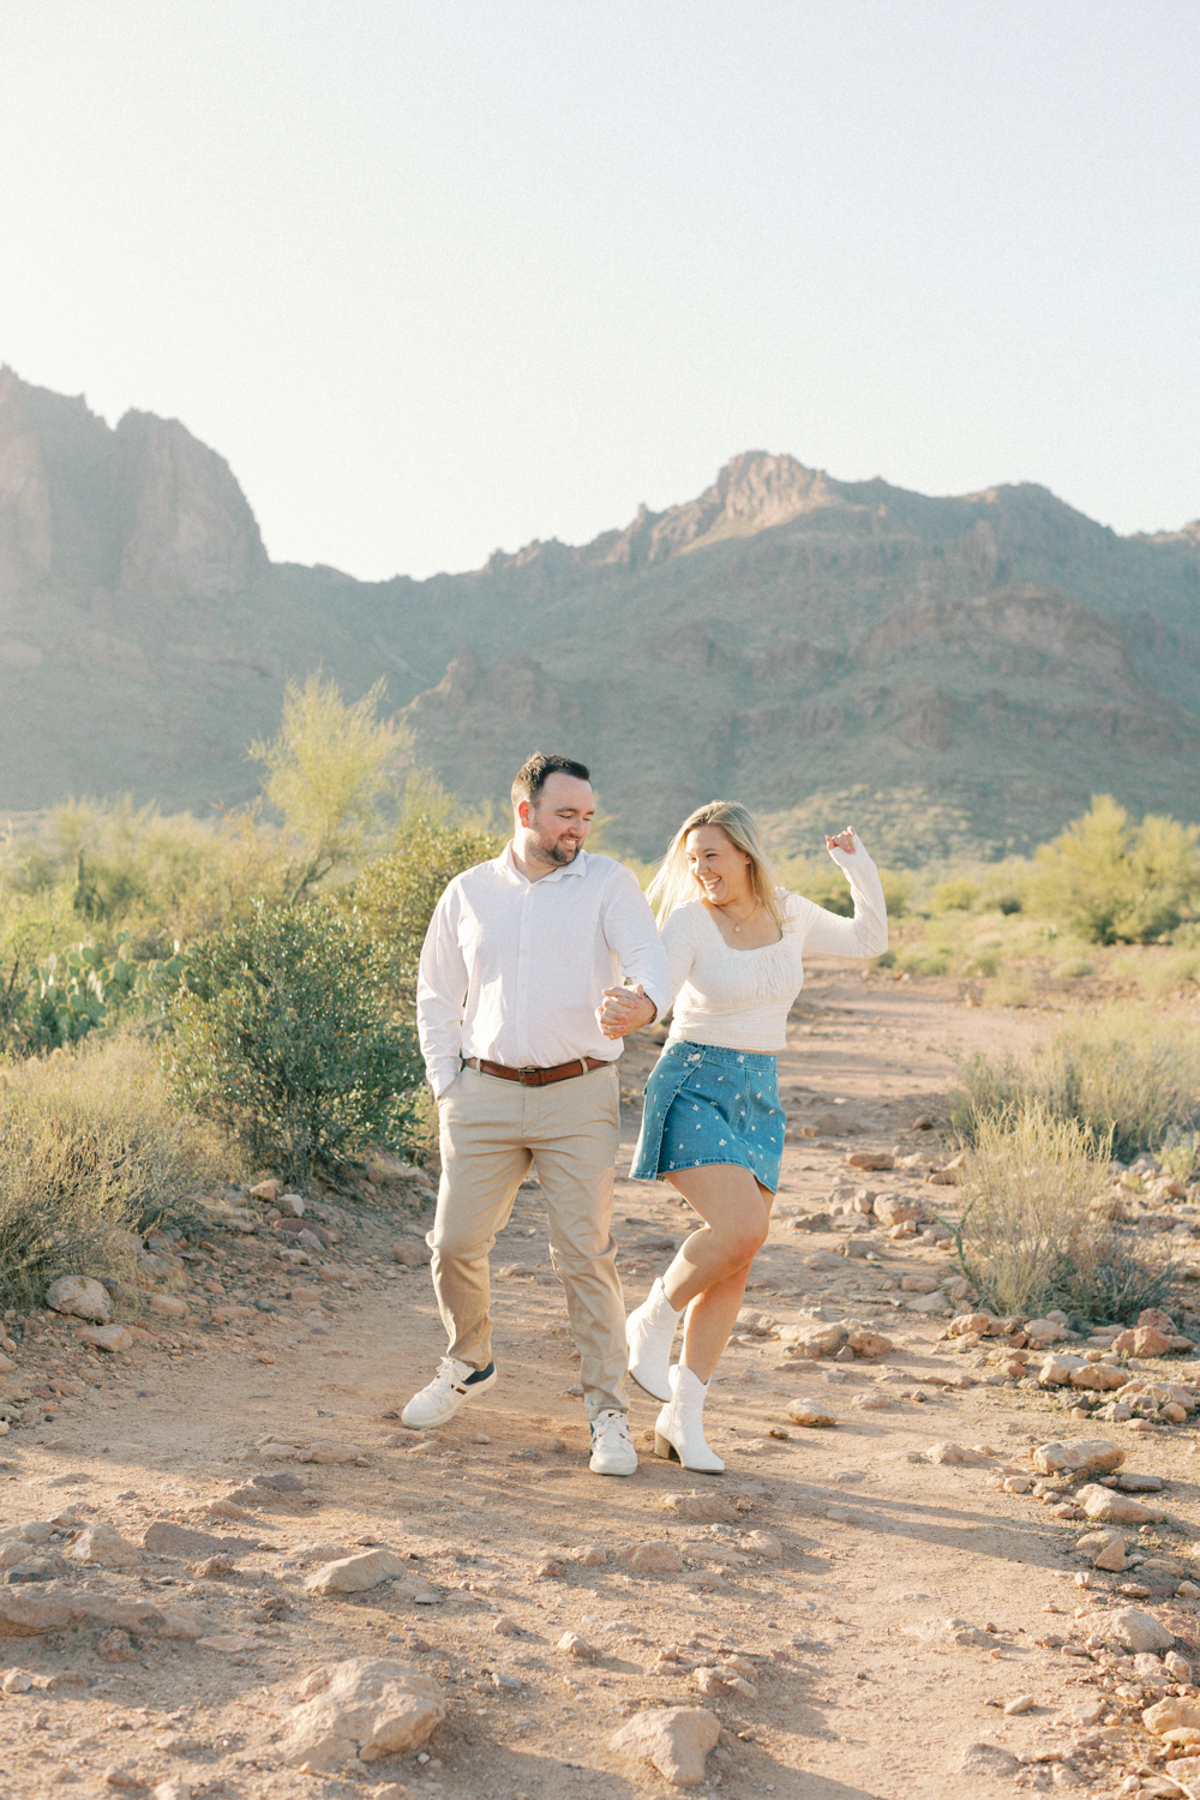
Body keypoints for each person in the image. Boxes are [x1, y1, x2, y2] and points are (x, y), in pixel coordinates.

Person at [406, 751, 672, 1477]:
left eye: (587, 817)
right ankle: (470, 1361)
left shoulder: (610, 883)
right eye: (566, 815)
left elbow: (650, 958)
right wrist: (445, 1084)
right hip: (482, 1093)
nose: (579, 829)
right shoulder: (467, 893)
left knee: (584, 1255)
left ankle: (608, 1412)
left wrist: (645, 1002)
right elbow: (436, 993)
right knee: (453, 1243)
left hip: (578, 1092)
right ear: (524, 811)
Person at [607, 801, 888, 1473]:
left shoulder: (789, 913)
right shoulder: (688, 922)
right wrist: (635, 1009)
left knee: (739, 1258)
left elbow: (869, 939)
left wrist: (858, 867)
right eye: (693, 857)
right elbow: (659, 996)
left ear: (745, 855)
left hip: (759, 1094)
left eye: (712, 855)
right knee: (738, 1229)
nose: (701, 869)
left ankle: (683, 1418)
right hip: (694, 1080)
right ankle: (652, 1315)